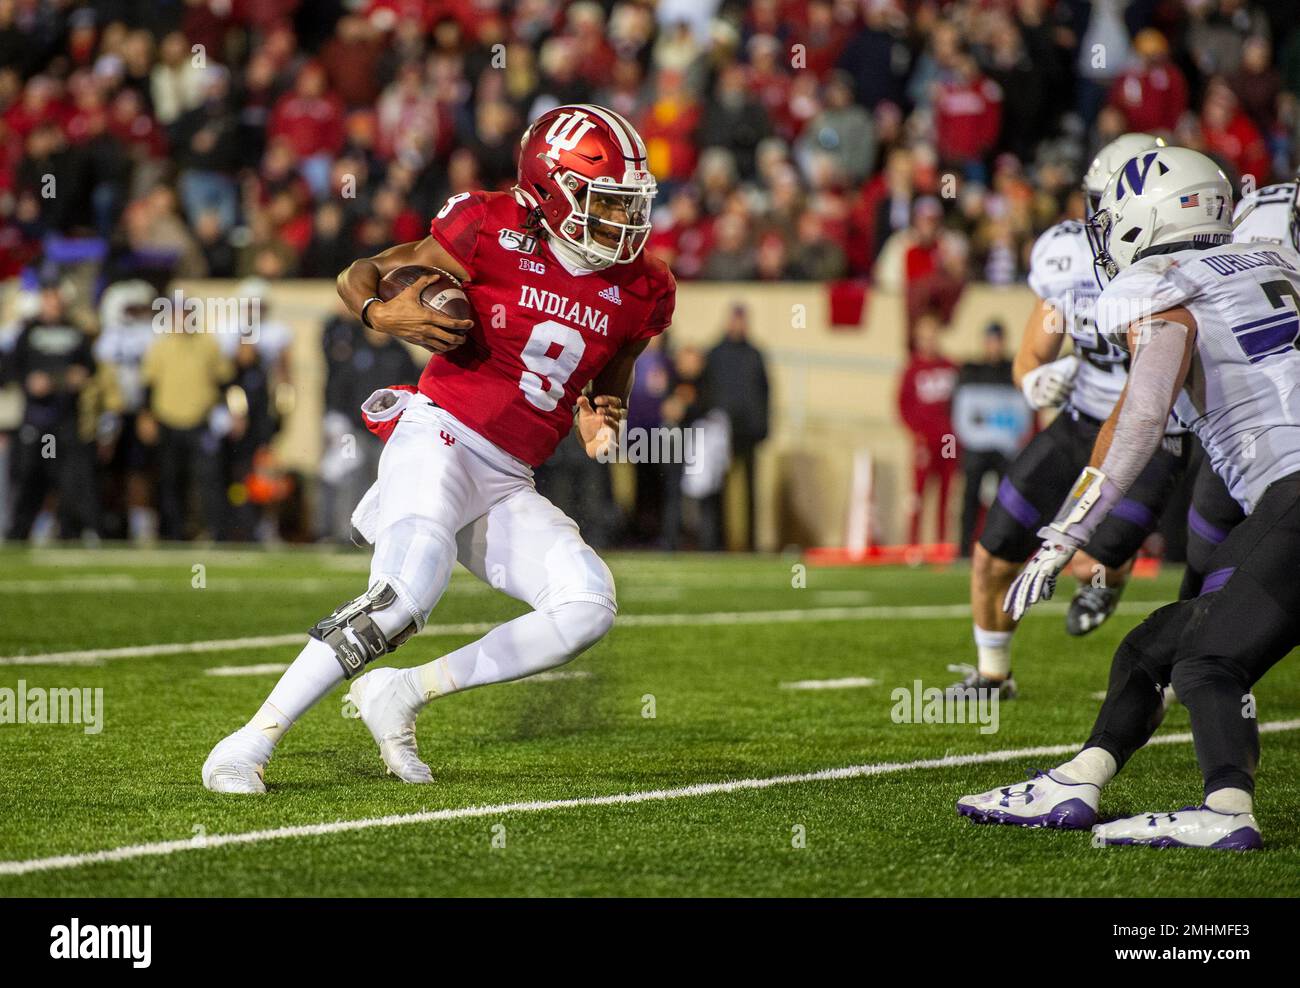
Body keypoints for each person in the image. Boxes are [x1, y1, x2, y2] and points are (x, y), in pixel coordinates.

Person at [203, 104, 676, 793]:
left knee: (587, 604)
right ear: (550, 189)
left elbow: (614, 369)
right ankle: (247, 743)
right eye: (603, 201)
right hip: (441, 435)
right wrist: (378, 311)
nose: (622, 220)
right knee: (405, 592)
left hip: (510, 476)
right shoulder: (490, 225)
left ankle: (402, 692)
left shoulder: (645, 287)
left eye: (629, 204)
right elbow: (360, 273)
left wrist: (602, 413)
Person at [962, 146, 1297, 850]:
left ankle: (1227, 812)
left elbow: (1141, 419)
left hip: (1292, 498)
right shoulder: (1274, 260)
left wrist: (1062, 537)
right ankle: (1078, 781)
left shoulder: (1166, 287)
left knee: (1207, 658)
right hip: (1281, 505)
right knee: (1155, 645)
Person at [947, 134, 1189, 702]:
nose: (1103, 220)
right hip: (1082, 418)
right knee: (991, 554)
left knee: (1087, 567)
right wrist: (1033, 379)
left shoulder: (1179, 269)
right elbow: (1034, 351)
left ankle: (1112, 572)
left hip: (1150, 433)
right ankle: (992, 677)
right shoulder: (1066, 252)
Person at [2, 285, 99, 541]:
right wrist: (29, 382)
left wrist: (80, 376)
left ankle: (68, 531)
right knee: (29, 476)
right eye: (49, 302)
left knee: (69, 479)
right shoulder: (28, 332)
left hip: (65, 420)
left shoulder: (75, 332)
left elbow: (90, 367)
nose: (54, 308)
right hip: (36, 420)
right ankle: (19, 532)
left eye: (57, 303)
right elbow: (11, 369)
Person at [950, 322, 1031, 557]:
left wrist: (1013, 442)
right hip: (976, 449)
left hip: (1005, 449)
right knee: (969, 500)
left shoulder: (1012, 371)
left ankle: (1001, 548)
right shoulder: (970, 371)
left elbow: (1023, 414)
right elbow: (960, 415)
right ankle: (965, 550)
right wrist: (969, 441)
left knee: (1006, 502)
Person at [703, 304, 769, 550]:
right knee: (717, 488)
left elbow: (764, 393)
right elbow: (707, 390)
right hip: (720, 432)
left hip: (749, 431)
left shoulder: (755, 354)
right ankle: (717, 543)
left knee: (751, 490)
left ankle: (751, 543)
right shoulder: (715, 353)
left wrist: (763, 427)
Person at [897, 311, 957, 544]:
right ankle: (913, 545)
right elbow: (902, 405)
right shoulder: (912, 370)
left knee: (946, 495)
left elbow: (961, 403)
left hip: (948, 441)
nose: (929, 340)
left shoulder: (951, 367)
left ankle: (942, 544)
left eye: (932, 334)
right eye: (924, 336)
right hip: (924, 441)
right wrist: (916, 431)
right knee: (918, 494)